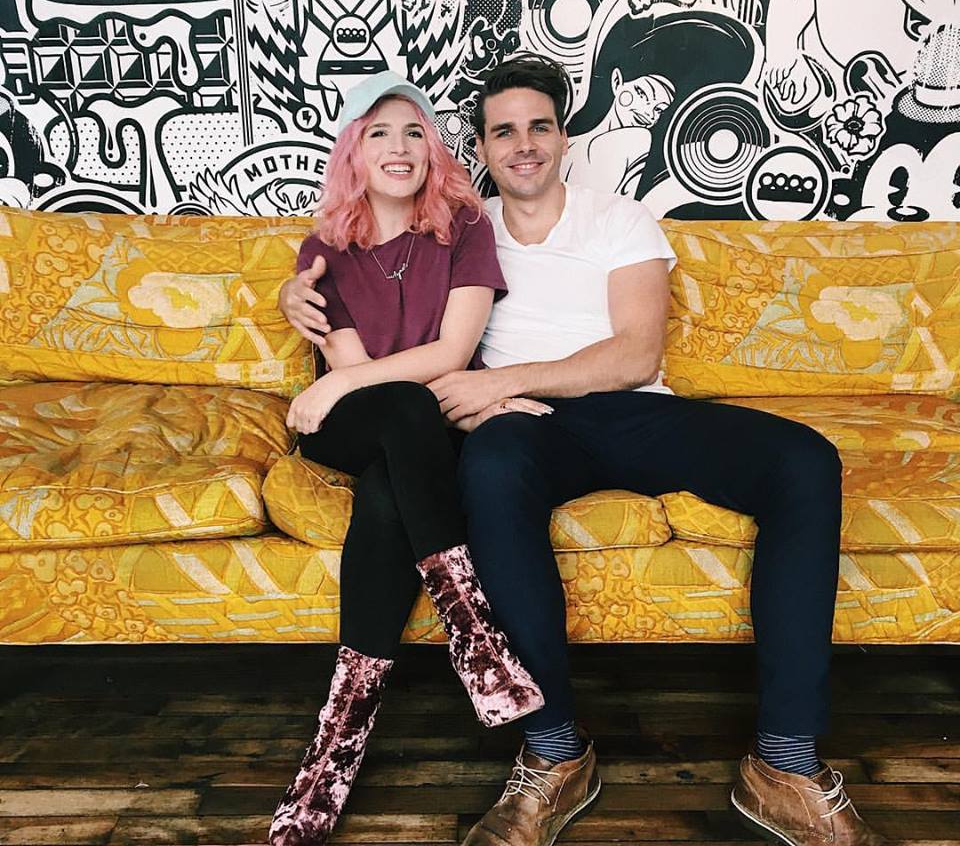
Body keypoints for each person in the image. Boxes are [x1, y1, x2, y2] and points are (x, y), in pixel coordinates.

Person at [281, 56, 886, 846]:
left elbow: (635, 355)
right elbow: (366, 276)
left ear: (565, 137)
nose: (523, 145)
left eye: (539, 127)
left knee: (804, 459)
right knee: (492, 469)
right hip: (522, 428)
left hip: (629, 409)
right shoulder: (458, 224)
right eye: (504, 132)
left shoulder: (618, 218)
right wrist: (300, 293)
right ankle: (555, 752)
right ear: (479, 148)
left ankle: (785, 763)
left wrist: (507, 379)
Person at [269, 70, 549, 846]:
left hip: (418, 419)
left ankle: (335, 745)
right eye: (379, 133)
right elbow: (359, 373)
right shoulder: (322, 250)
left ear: (433, 149)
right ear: (353, 151)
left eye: (415, 132)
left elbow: (453, 351)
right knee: (401, 411)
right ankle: (475, 635)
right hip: (353, 421)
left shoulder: (466, 228)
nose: (399, 147)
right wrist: (339, 382)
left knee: (388, 494)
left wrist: (338, 380)